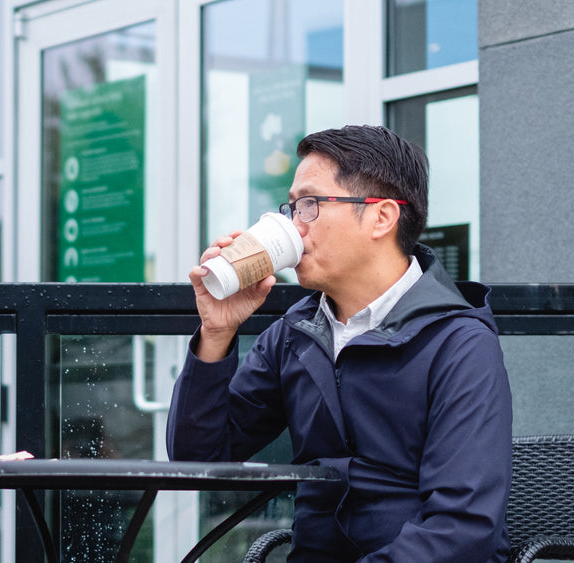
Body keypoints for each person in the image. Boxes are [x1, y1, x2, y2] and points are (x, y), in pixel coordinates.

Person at [166, 125, 512, 562]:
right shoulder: (296, 333)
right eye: (291, 207)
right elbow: (198, 459)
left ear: (381, 217)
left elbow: (462, 529)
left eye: (309, 205)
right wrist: (217, 332)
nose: (294, 225)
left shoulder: (458, 343)